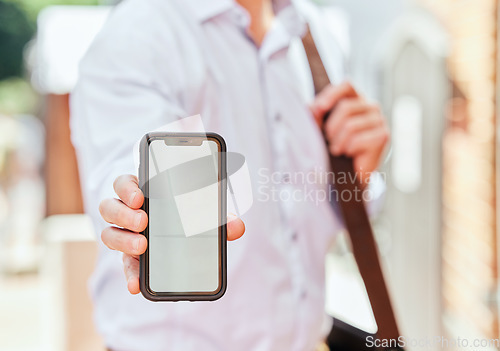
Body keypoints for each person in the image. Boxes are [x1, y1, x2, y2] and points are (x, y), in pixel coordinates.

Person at [70, 0, 389, 350]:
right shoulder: (141, 32)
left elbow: (311, 213)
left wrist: (355, 176)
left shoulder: (310, 31)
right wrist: (135, 213)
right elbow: (126, 161)